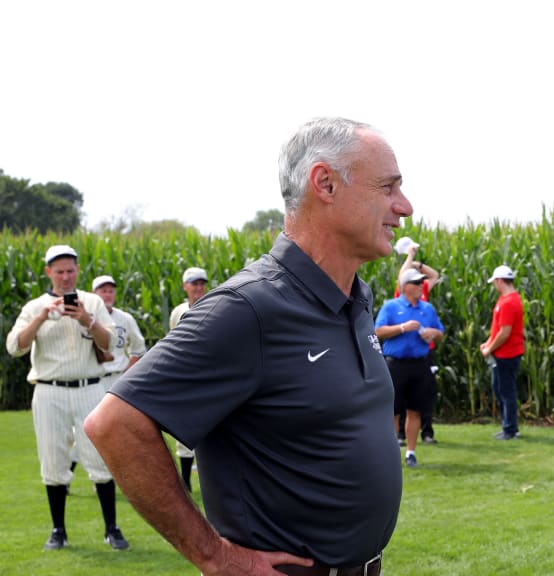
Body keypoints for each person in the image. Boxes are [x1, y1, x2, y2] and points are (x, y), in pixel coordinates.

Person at [85, 116, 412, 576]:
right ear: (326, 184)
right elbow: (115, 424)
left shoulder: (355, 298)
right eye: (388, 187)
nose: (405, 206)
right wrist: (213, 555)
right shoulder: (249, 309)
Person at [5, 245, 129, 551]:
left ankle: (112, 529)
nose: (65, 277)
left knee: (100, 458)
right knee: (53, 460)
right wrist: (42, 319)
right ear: (48, 272)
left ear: (77, 270)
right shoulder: (35, 307)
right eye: (58, 271)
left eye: (70, 270)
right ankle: (58, 530)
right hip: (49, 390)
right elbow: (14, 346)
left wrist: (86, 319)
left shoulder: (92, 302)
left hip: (89, 387)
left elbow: (109, 341)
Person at [375, 268, 446, 468]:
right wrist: (402, 328)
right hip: (395, 365)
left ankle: (411, 453)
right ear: (406, 287)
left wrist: (433, 333)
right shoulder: (391, 306)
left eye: (421, 282)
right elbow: (378, 331)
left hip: (420, 364)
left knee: (415, 410)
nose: (421, 286)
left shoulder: (427, 309)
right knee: (393, 411)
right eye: (416, 283)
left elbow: (440, 332)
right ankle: (391, 454)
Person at [392, 236, 442, 445]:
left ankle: (427, 432)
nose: (420, 285)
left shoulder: (425, 298)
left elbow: (434, 275)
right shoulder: (399, 298)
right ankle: (401, 435)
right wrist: (410, 255)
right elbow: (401, 277)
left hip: (424, 351)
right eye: (415, 282)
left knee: (424, 394)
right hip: (403, 355)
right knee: (401, 397)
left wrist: (417, 264)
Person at [167, 265, 209, 492]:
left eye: (202, 283)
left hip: (209, 378)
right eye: (194, 283)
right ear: (185, 286)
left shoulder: (216, 306)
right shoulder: (178, 312)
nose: (199, 287)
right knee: (183, 435)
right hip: (186, 378)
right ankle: (185, 483)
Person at [479, 264, 525, 440]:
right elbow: (498, 329)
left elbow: (505, 333)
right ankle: (508, 425)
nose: (494, 286)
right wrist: (488, 343)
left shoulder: (508, 302)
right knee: (500, 389)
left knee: (506, 391)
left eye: (494, 282)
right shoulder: (506, 299)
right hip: (502, 352)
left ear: (499, 281)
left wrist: (490, 348)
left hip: (507, 353)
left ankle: (510, 429)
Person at [91, 275, 147, 390]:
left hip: (118, 377)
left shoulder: (125, 318)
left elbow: (139, 349)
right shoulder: (88, 318)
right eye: (103, 291)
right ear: (93, 294)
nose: (108, 295)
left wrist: (127, 374)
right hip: (93, 381)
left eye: (111, 291)